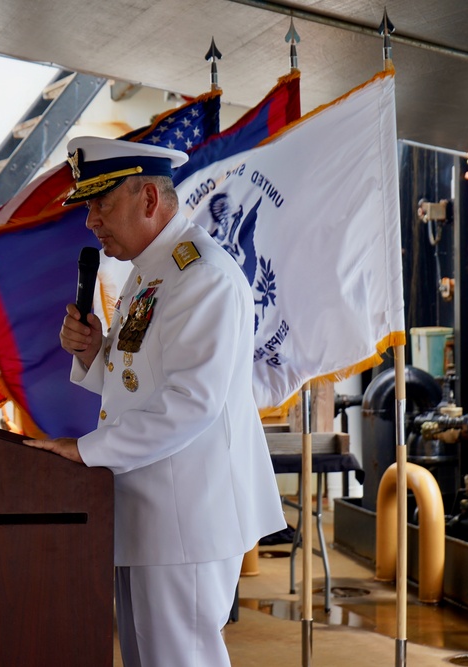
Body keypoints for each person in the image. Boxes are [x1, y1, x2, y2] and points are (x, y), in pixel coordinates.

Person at [23, 137, 286, 667]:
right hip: (149, 510)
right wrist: (97, 352)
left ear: (148, 199)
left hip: (187, 517)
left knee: (180, 659)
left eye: (101, 203)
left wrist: (86, 451)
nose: (91, 220)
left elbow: (192, 401)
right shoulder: (153, 271)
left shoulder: (200, 276)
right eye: (89, 206)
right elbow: (140, 383)